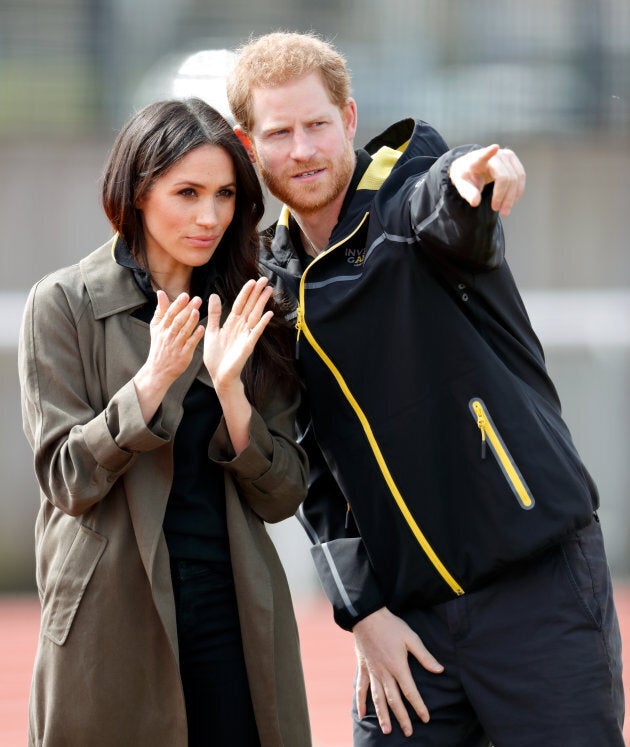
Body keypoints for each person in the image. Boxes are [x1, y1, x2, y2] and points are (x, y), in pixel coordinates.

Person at [226, 31, 625, 746]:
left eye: (317, 124)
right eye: (279, 132)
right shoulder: (271, 287)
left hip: (537, 589)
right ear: (249, 146)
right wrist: (363, 613)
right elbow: (311, 467)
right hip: (405, 625)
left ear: (349, 119)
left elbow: (447, 207)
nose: (304, 149)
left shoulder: (408, 196)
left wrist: (473, 179)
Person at [18, 97, 312, 747]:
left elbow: (285, 491)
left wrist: (231, 392)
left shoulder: (256, 304)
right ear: (138, 192)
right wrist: (150, 382)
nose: (210, 216)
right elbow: (68, 480)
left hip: (236, 620)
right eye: (187, 192)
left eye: (225, 194)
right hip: (109, 625)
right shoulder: (64, 303)